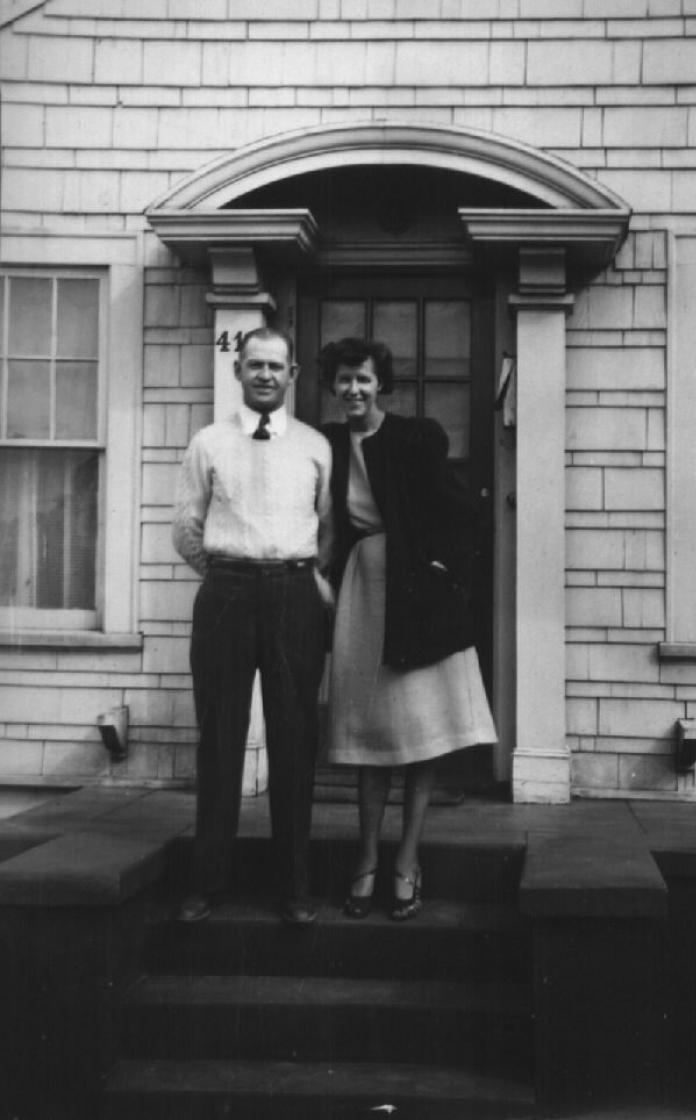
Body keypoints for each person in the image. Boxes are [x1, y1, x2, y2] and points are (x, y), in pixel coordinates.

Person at [319, 336, 497, 921]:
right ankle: (366, 859)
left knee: (421, 735)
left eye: (363, 379)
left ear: (381, 384)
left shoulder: (415, 438)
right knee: (373, 740)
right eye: (344, 379)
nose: (353, 389)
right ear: (333, 385)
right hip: (365, 591)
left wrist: (441, 569)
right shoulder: (325, 444)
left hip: (417, 595)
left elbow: (462, 513)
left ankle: (407, 862)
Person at [172, 326, 334, 927]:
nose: (265, 374)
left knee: (294, 738)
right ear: (238, 370)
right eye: (255, 365)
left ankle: (294, 887)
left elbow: (326, 527)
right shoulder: (209, 442)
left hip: (294, 593)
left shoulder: (315, 446)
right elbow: (186, 527)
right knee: (219, 737)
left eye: (276, 366)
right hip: (227, 592)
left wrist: (302, 578)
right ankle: (207, 882)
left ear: (293, 375)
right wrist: (228, 571)